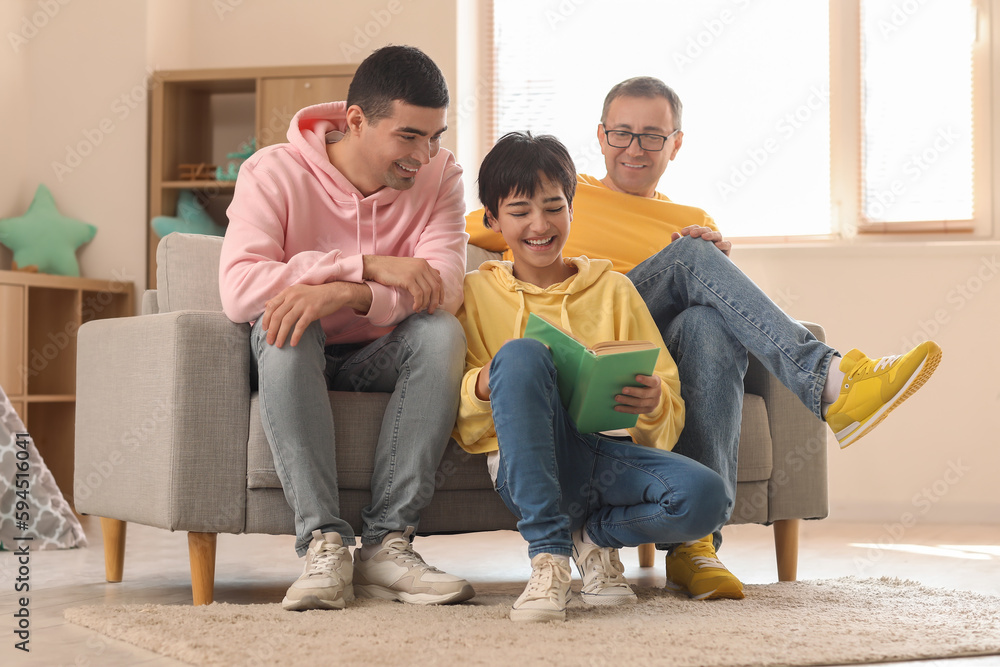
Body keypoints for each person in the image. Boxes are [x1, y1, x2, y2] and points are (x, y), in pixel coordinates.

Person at [466, 76, 942, 601]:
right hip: (571, 330)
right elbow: (470, 225)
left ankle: (696, 547)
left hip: (637, 335)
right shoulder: (554, 191)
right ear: (600, 137)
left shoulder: (690, 221)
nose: (634, 148)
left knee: (708, 321)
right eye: (622, 133)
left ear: (676, 143)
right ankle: (832, 381)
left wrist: (716, 263)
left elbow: (703, 302)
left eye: (652, 135)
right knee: (693, 261)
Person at [220, 45, 474, 612]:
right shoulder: (272, 171)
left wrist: (348, 292)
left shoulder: (441, 174)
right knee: (286, 321)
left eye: (435, 136)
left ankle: (388, 544)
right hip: (295, 351)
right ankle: (324, 543)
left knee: (441, 332)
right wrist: (361, 265)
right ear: (356, 121)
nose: (424, 154)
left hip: (384, 352)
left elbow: (444, 287)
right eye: (409, 136)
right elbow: (240, 289)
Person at [453, 131, 732, 622]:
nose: (539, 225)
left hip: (609, 454)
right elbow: (461, 418)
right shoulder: (475, 293)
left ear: (572, 209)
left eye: (553, 207)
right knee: (519, 356)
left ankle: (594, 539)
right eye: (519, 212)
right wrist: (485, 381)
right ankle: (550, 556)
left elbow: (669, 398)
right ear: (493, 222)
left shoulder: (614, 288)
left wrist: (654, 402)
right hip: (528, 466)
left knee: (708, 498)